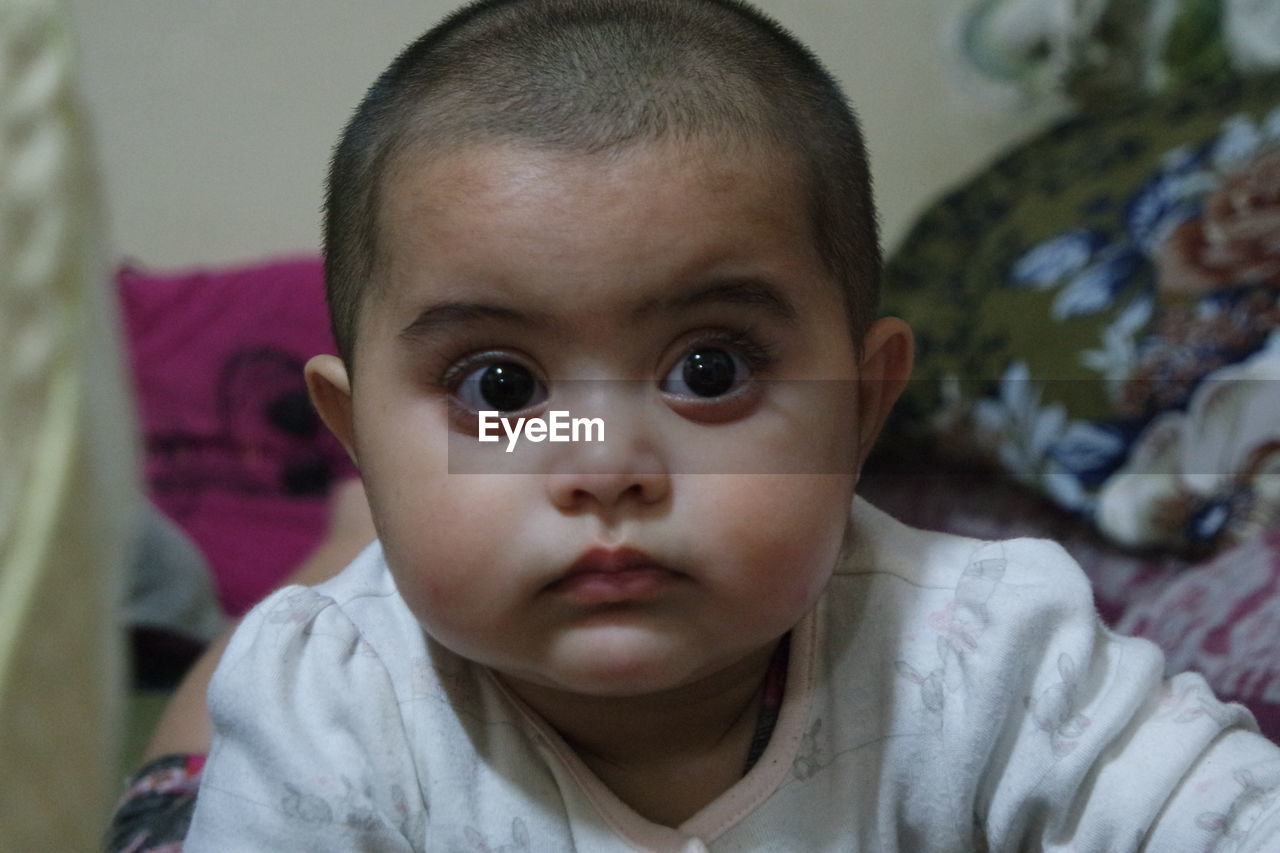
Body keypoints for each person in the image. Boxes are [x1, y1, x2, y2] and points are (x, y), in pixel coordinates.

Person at [173, 0, 1280, 849]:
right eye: (500, 391)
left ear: (861, 404)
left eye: (707, 372)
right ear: (356, 428)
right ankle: (348, 533)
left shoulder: (990, 657)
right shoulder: (320, 701)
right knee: (198, 744)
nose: (602, 463)